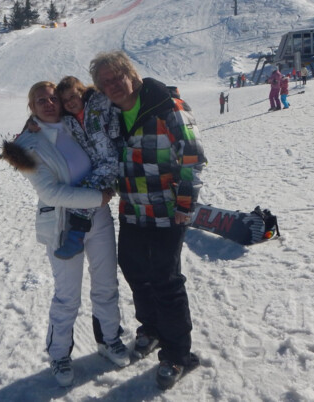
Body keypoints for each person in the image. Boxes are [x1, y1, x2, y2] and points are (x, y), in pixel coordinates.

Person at [89, 50, 206, 389]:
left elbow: (193, 157)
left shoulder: (168, 107)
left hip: (168, 211)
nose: (113, 86)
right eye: (105, 82)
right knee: (135, 271)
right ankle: (151, 328)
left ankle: (178, 354)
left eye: (117, 77)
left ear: (132, 74)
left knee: (165, 280)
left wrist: (185, 203)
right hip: (132, 210)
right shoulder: (111, 114)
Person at [2, 81, 129, 387]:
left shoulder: (75, 124)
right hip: (63, 224)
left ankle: (109, 338)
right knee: (67, 295)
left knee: (106, 283)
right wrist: (96, 198)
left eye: (52, 98)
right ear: (31, 108)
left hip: (98, 218)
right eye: (40, 101)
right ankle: (59, 354)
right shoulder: (28, 144)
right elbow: (50, 191)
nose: (48, 104)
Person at [52, 76, 120, 260]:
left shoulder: (99, 102)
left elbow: (118, 102)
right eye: (65, 100)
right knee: (86, 189)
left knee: (86, 190)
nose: (70, 103)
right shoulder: (68, 120)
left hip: (113, 160)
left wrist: (116, 127)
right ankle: (76, 235)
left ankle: (76, 237)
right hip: (97, 165)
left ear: (82, 92)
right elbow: (44, 118)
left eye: (72, 96)